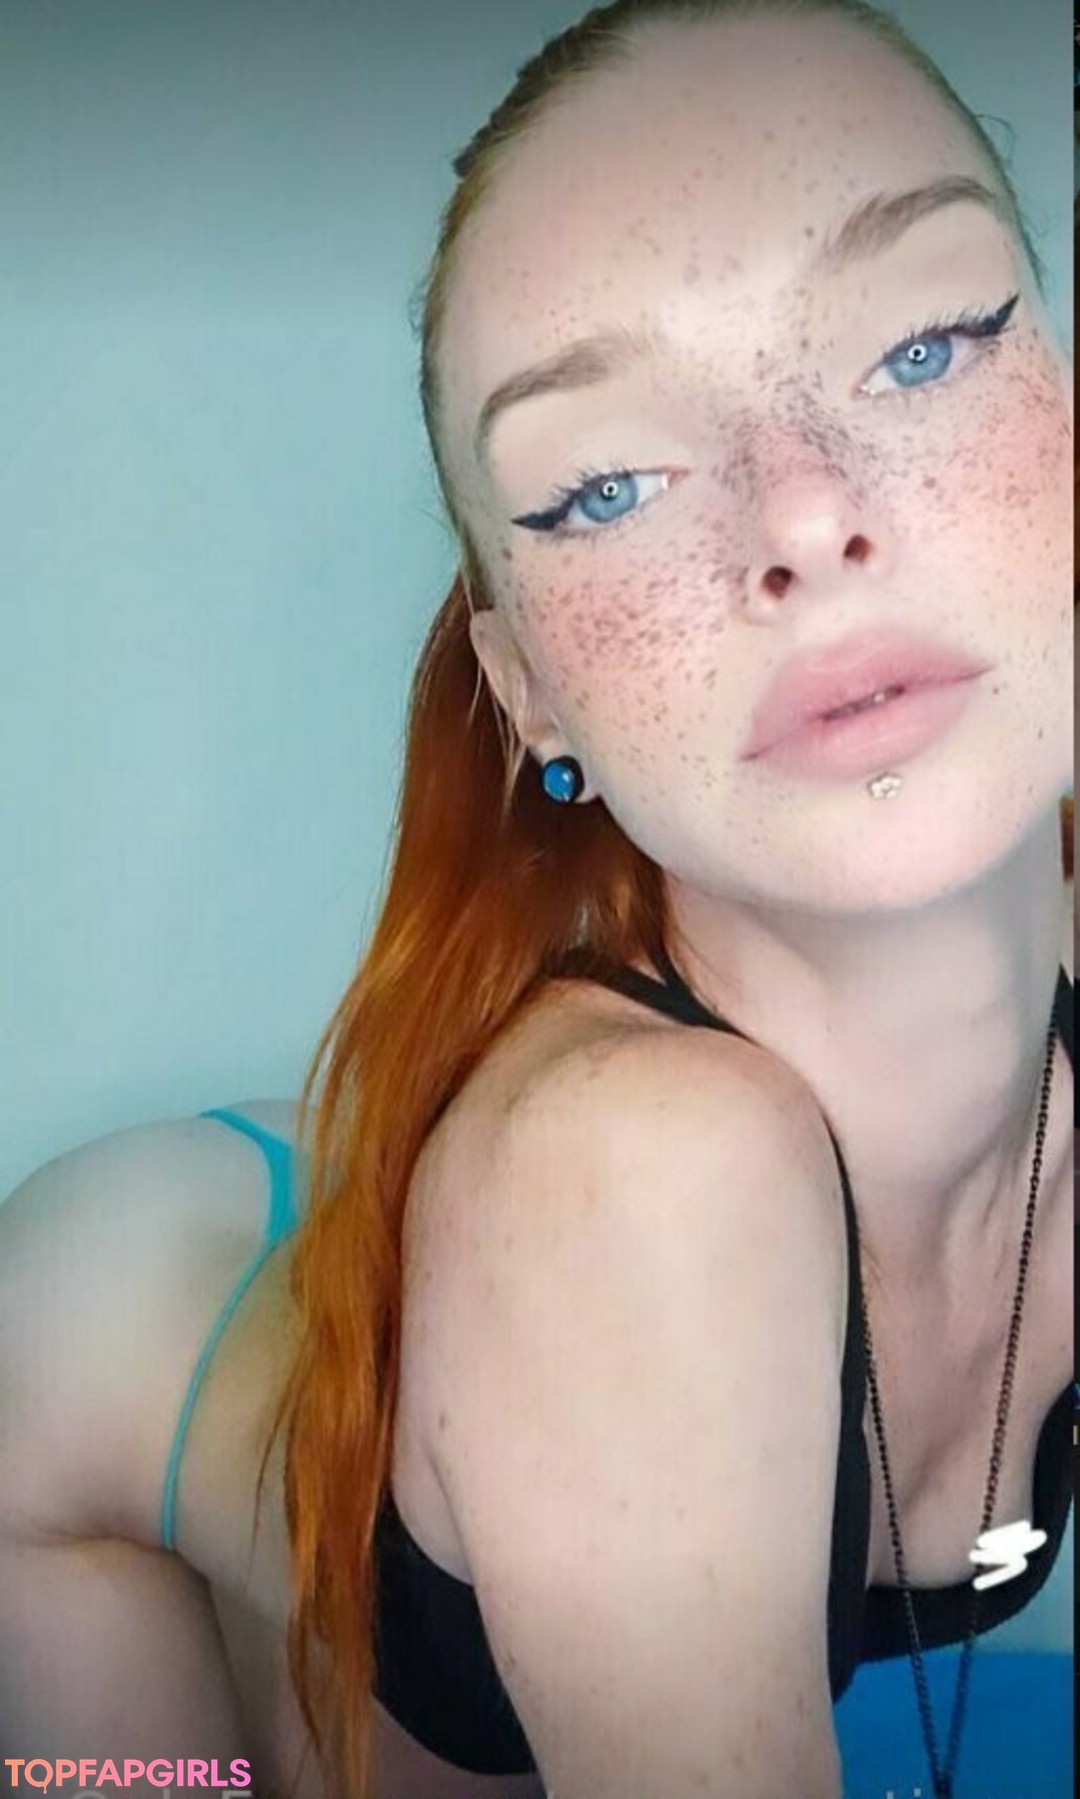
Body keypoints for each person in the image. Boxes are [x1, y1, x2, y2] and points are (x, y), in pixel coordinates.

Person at [0, 2, 1072, 1796]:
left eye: (923, 346)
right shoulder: (635, 1191)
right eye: (604, 484)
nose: (804, 516)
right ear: (531, 699)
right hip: (81, 1394)